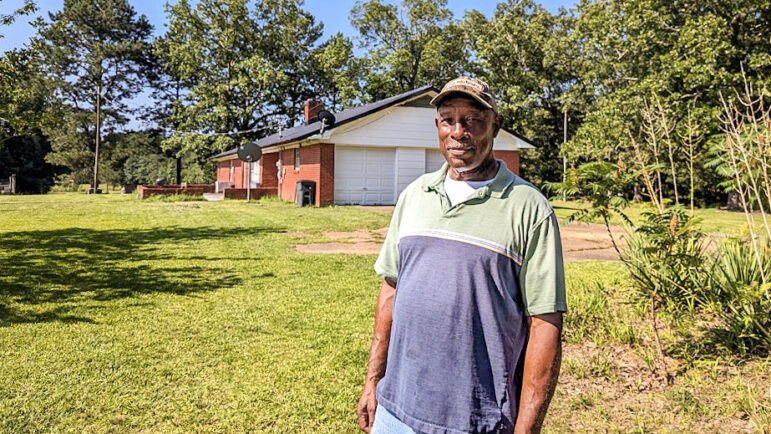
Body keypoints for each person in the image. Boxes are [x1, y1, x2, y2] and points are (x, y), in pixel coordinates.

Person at [356, 76, 567, 434]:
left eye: (472, 119)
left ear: (495, 126)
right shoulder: (415, 195)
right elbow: (391, 290)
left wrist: (527, 429)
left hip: (476, 422)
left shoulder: (529, 208)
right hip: (394, 412)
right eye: (448, 119)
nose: (459, 131)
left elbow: (545, 326)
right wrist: (373, 379)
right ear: (437, 126)